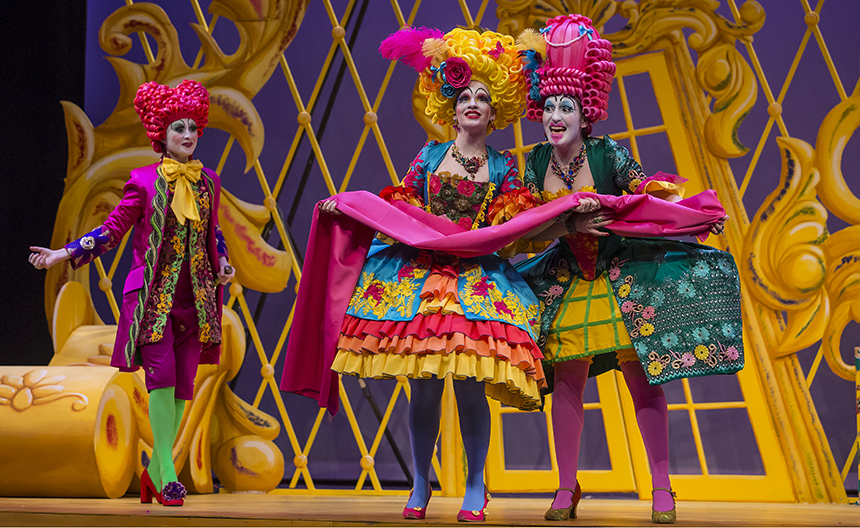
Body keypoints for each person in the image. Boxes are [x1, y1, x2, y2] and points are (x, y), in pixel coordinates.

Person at [316, 27, 558, 522]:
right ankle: (422, 482)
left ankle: (474, 483)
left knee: (470, 383)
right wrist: (347, 208)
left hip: (476, 281)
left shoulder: (504, 166)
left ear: (496, 112)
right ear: (451, 104)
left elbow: (516, 220)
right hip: (422, 280)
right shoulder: (428, 156)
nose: (472, 102)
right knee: (423, 384)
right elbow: (398, 206)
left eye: (483, 97)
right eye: (465, 94)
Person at [512, 15, 741, 524]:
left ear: (583, 112)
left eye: (565, 106)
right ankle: (566, 488)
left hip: (620, 276)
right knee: (568, 381)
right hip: (569, 280)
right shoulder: (531, 165)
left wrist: (692, 215)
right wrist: (564, 225)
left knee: (643, 379)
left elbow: (648, 199)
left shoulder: (607, 152)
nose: (555, 115)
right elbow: (522, 229)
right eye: (548, 106)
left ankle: (662, 488)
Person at [28, 80, 235, 507]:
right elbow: (110, 231)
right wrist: (61, 254)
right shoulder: (142, 182)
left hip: (196, 300)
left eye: (193, 128)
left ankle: (154, 471)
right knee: (160, 381)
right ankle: (167, 474)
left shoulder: (207, 181)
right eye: (179, 129)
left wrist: (225, 263)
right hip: (154, 300)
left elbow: (213, 231)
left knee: (183, 388)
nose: (188, 136)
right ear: (162, 135)